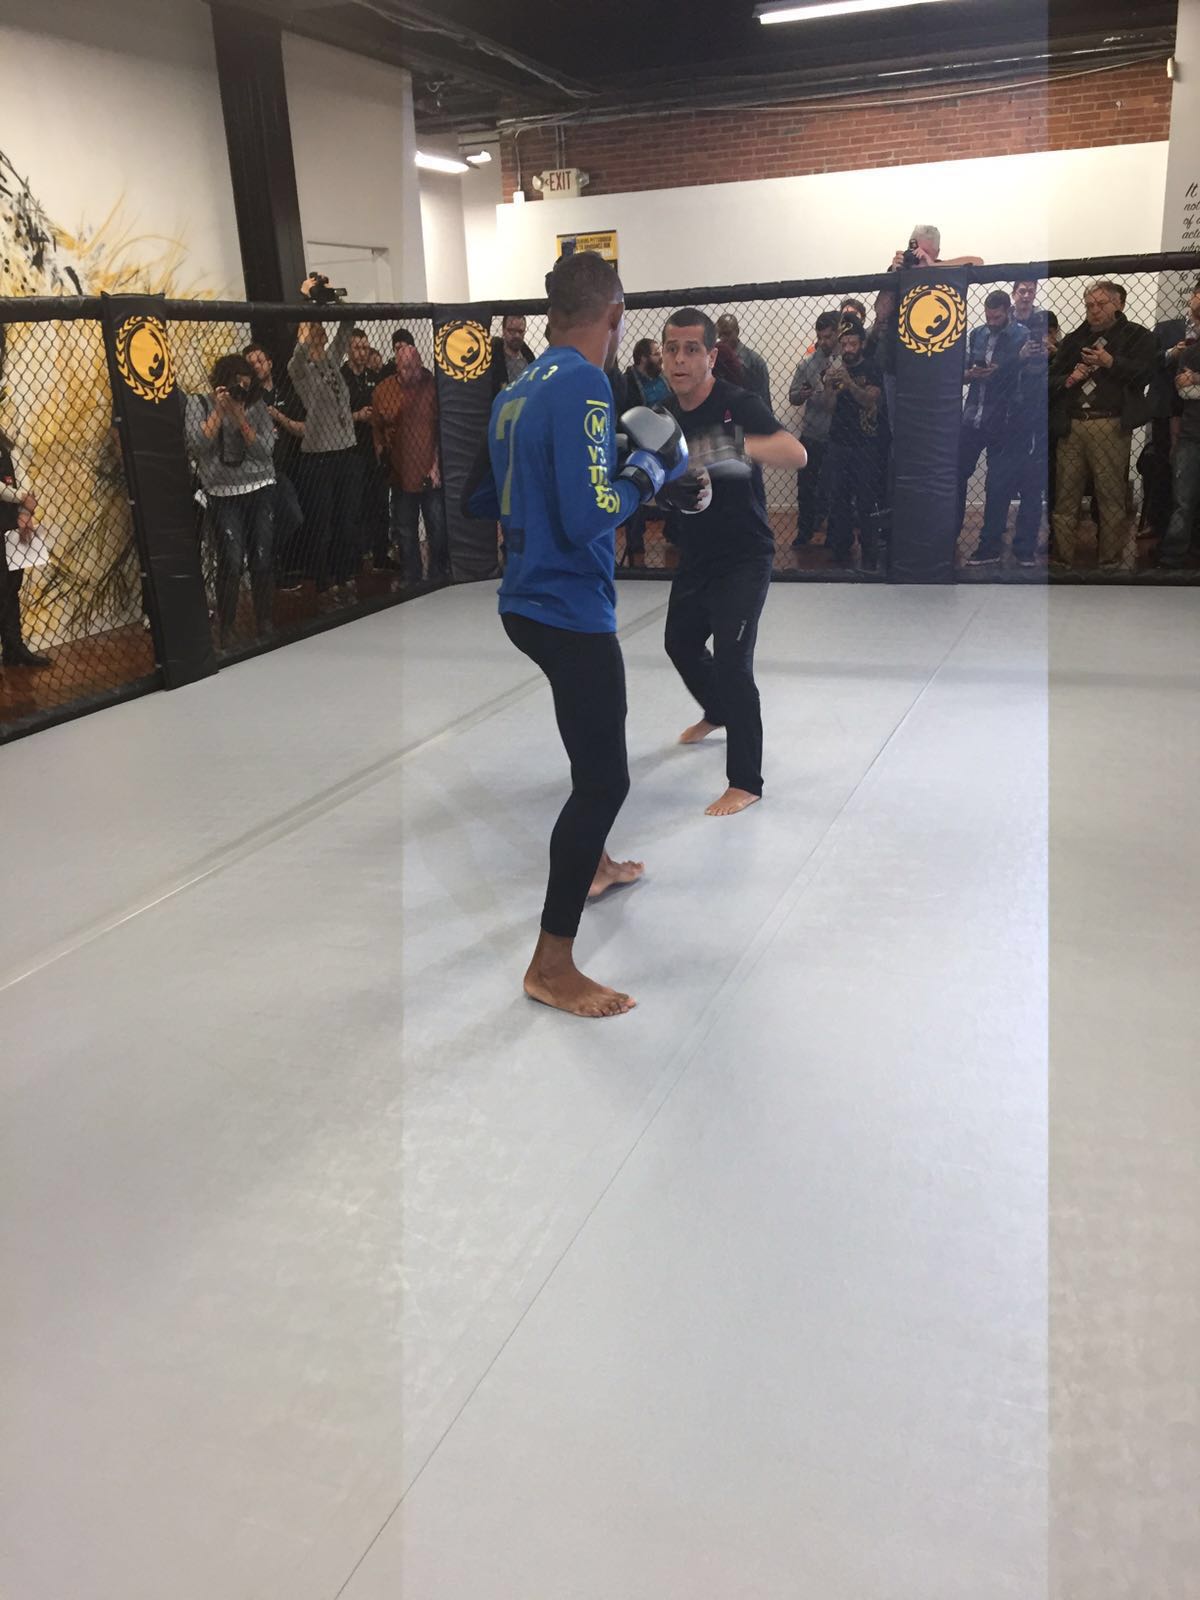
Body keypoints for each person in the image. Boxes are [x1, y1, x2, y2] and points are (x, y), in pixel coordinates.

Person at [466, 251, 698, 1019]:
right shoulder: (587, 383)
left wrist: (595, 465)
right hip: (569, 606)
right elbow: (589, 514)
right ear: (615, 316)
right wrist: (648, 475)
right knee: (605, 780)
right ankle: (551, 965)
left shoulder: (516, 389)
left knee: (588, 742)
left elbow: (478, 496)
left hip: (522, 599)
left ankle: (594, 863)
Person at [661, 307, 807, 817]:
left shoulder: (736, 403)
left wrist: (730, 446)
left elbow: (796, 453)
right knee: (679, 642)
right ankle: (718, 710)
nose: (680, 360)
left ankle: (746, 782)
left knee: (731, 661)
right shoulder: (662, 415)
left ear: (711, 355)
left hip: (745, 556)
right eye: (672, 349)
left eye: (691, 349)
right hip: (697, 554)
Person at [1049, 280, 1156, 570]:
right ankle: (1061, 558)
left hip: (1109, 423)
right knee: (1065, 496)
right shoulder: (1075, 339)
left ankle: (1110, 561)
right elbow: (1051, 378)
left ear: (1119, 303)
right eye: (1089, 305)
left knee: (1110, 496)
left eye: (1101, 304)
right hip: (1072, 424)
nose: (1094, 310)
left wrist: (1111, 362)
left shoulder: (1136, 336)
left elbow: (1146, 374)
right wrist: (1069, 379)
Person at [184, 353, 277, 645]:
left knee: (261, 556)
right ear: (221, 383)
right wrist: (220, 410)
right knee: (232, 561)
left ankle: (265, 621)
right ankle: (227, 628)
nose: (241, 391)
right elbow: (197, 445)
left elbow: (265, 451)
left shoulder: (255, 405)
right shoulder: (198, 404)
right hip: (222, 493)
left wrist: (240, 416)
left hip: (258, 486)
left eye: (246, 386)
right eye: (236, 386)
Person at [288, 277, 361, 595]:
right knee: (323, 524)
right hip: (319, 456)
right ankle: (323, 582)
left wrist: (331, 299)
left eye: (320, 326)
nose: (318, 330)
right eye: (312, 327)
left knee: (347, 520)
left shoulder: (331, 360)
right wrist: (307, 304)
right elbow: (300, 352)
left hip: (346, 450)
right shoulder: (298, 368)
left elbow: (348, 324)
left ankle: (345, 575)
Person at [958, 289, 1028, 565]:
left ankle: (990, 546)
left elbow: (1023, 375)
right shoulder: (977, 334)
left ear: (1008, 311)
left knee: (998, 485)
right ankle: (948, 534)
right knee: (955, 475)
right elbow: (962, 371)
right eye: (988, 317)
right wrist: (971, 373)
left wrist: (999, 370)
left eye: (996, 317)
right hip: (972, 416)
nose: (991, 321)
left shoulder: (1022, 336)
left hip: (1004, 418)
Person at [372, 341, 448, 583]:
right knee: (405, 529)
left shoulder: (432, 387)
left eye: (415, 367)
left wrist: (436, 466)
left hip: (429, 469)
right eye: (406, 368)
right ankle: (411, 576)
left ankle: (438, 574)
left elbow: (441, 430)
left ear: (421, 364)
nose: (412, 373)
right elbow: (377, 430)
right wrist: (383, 459)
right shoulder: (383, 390)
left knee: (437, 526)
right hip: (399, 471)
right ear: (397, 367)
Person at [821, 318, 887, 571]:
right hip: (838, 442)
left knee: (866, 500)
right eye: (845, 344)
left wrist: (848, 383)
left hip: (865, 444)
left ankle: (869, 551)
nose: (848, 348)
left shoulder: (871, 367)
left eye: (853, 343)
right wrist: (829, 386)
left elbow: (870, 400)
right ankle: (841, 548)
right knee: (838, 498)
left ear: (861, 344)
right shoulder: (834, 369)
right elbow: (829, 407)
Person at [998, 309, 1059, 568]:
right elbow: (999, 380)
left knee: (1035, 490)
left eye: (1046, 332)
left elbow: (1066, 386)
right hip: (1015, 428)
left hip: (1047, 430)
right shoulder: (1016, 350)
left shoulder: (1063, 354)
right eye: (1035, 332)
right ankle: (994, 542)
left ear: (1055, 333)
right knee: (1002, 485)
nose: (1040, 338)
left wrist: (1056, 355)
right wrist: (1019, 358)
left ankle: (1025, 547)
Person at [244, 343, 305, 590]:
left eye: (260, 361)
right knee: (288, 516)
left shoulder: (285, 391)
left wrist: (279, 417)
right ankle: (267, 565)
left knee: (290, 518)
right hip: (264, 470)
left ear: (269, 363)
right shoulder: (249, 399)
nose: (257, 366)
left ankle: (275, 564)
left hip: (290, 463)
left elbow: (302, 427)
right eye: (251, 364)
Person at [788, 310, 840, 548]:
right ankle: (805, 531)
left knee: (838, 489)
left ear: (838, 333)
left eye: (828, 337)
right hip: (812, 433)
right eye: (820, 337)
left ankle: (836, 536)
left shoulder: (847, 361)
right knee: (806, 489)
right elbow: (793, 396)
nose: (823, 342)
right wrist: (803, 393)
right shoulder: (808, 364)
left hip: (839, 435)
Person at [0, 425, 51, 669]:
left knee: (12, 586)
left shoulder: (6, 444)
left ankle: (14, 648)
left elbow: (22, 474)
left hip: (9, 522)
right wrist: (20, 497)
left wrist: (25, 511)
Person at [1158, 287, 1200, 569]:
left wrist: (1196, 379)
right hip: (1191, 434)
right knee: (1183, 500)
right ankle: (1172, 558)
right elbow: (1183, 394)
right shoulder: (1190, 353)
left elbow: (1191, 387)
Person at [342, 326, 390, 571]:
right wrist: (357, 416)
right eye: (357, 348)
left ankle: (381, 553)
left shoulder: (374, 376)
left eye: (365, 348)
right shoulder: (341, 378)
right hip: (351, 449)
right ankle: (354, 559)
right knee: (353, 506)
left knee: (380, 502)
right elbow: (333, 417)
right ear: (348, 349)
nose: (362, 353)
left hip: (374, 447)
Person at [715, 313, 771, 406]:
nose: (722, 338)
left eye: (727, 334)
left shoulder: (755, 362)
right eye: (720, 334)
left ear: (737, 331)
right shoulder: (714, 360)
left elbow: (764, 399)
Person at [489, 311, 535, 395]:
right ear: (503, 331)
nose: (517, 335)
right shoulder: (493, 359)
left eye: (520, 331)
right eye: (512, 331)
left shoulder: (529, 359)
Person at [624, 338, 669, 409]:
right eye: (656, 354)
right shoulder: (629, 384)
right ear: (643, 358)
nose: (661, 358)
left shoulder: (663, 375)